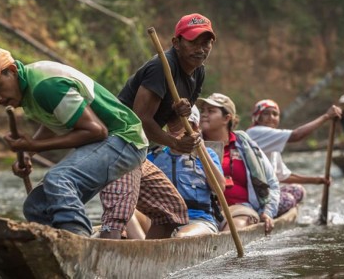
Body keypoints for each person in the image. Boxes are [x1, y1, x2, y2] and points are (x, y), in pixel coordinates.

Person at [0, 47, 148, 237]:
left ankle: (78, 242)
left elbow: (96, 131)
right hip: (107, 143)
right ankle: (56, 249)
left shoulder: (45, 85)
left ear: (11, 71)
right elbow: (57, 118)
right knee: (36, 206)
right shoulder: (28, 91)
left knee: (59, 178)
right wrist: (28, 154)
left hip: (125, 138)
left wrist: (33, 146)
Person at [109, 13, 217, 238]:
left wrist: (181, 113)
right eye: (193, 41)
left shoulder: (199, 72)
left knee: (171, 212)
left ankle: (147, 263)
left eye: (206, 42)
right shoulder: (162, 66)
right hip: (118, 143)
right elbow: (140, 120)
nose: (201, 48)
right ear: (176, 43)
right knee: (120, 212)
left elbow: (173, 121)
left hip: (138, 148)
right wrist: (175, 143)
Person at [198, 93, 280, 233]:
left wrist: (268, 212)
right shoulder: (193, 144)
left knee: (235, 227)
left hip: (241, 210)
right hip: (202, 212)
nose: (204, 115)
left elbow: (271, 182)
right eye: (202, 111)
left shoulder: (246, 145)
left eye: (211, 111)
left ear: (226, 118)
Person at [245, 99, 339, 216]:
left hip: (266, 193)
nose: (271, 117)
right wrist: (326, 117)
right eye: (266, 113)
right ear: (257, 117)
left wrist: (316, 180)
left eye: (275, 114)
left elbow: (283, 175)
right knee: (289, 199)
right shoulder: (254, 132)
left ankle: (272, 213)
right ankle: (264, 214)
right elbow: (296, 135)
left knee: (298, 190)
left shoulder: (272, 142)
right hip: (254, 196)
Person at [148, 106, 226, 237]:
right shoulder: (153, 157)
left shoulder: (208, 155)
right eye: (170, 121)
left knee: (181, 237)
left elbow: (219, 188)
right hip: (162, 222)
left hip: (198, 221)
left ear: (194, 127)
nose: (173, 126)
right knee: (130, 217)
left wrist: (201, 149)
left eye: (179, 121)